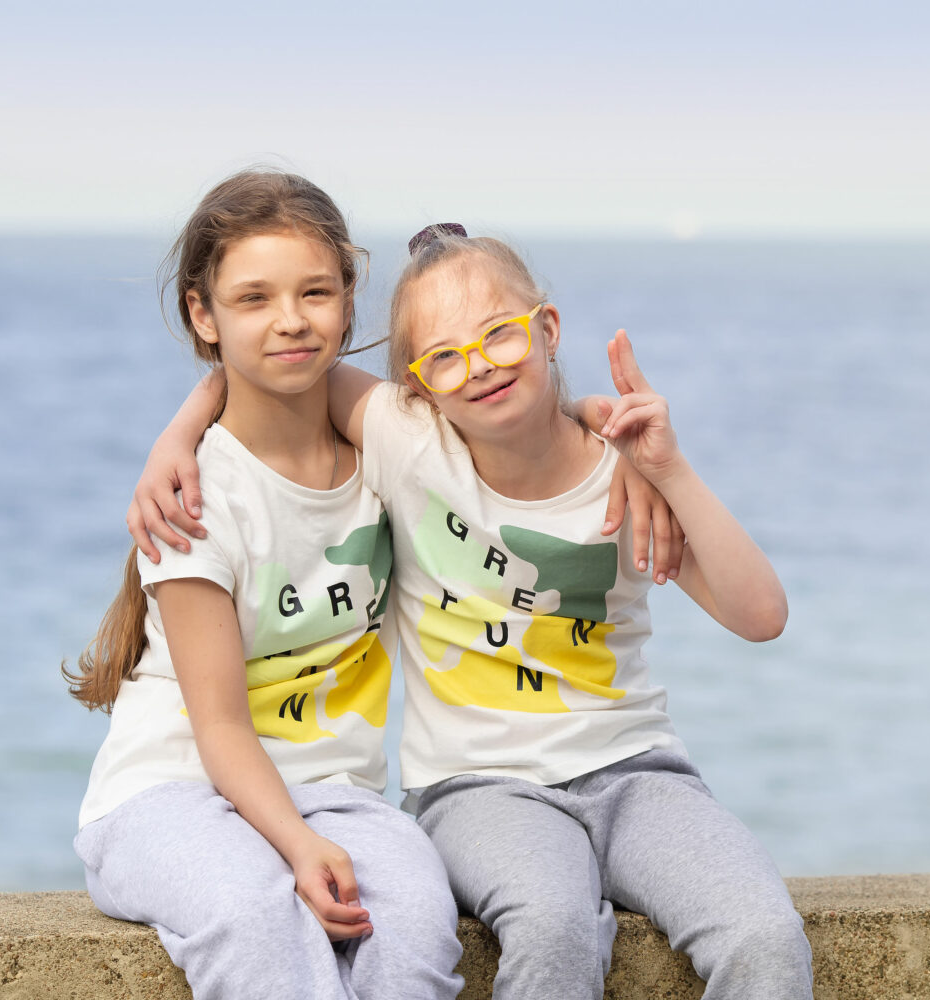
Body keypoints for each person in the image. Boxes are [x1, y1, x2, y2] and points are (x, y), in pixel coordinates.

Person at [132, 224, 814, 999]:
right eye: (446, 357)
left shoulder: (625, 481)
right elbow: (282, 364)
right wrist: (178, 434)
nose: (482, 368)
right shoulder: (410, 443)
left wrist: (669, 468)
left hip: (637, 774)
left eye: (502, 337)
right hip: (477, 788)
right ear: (420, 386)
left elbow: (761, 615)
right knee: (554, 925)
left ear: (547, 330)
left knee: (764, 931)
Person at [66, 171, 464, 1000]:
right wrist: (295, 844)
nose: (290, 319)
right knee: (258, 918)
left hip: (337, 793)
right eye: (252, 299)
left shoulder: (385, 453)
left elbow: (503, 434)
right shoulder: (193, 498)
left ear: (349, 302)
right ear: (202, 315)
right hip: (166, 796)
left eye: (315, 292)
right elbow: (216, 727)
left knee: (420, 926)